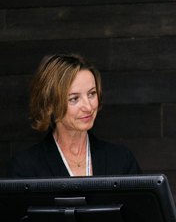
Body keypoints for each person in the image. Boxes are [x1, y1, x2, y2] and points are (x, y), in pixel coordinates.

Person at [6, 53, 141, 178]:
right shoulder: (25, 167)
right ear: (50, 105)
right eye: (74, 99)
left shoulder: (121, 160)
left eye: (91, 94)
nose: (88, 107)